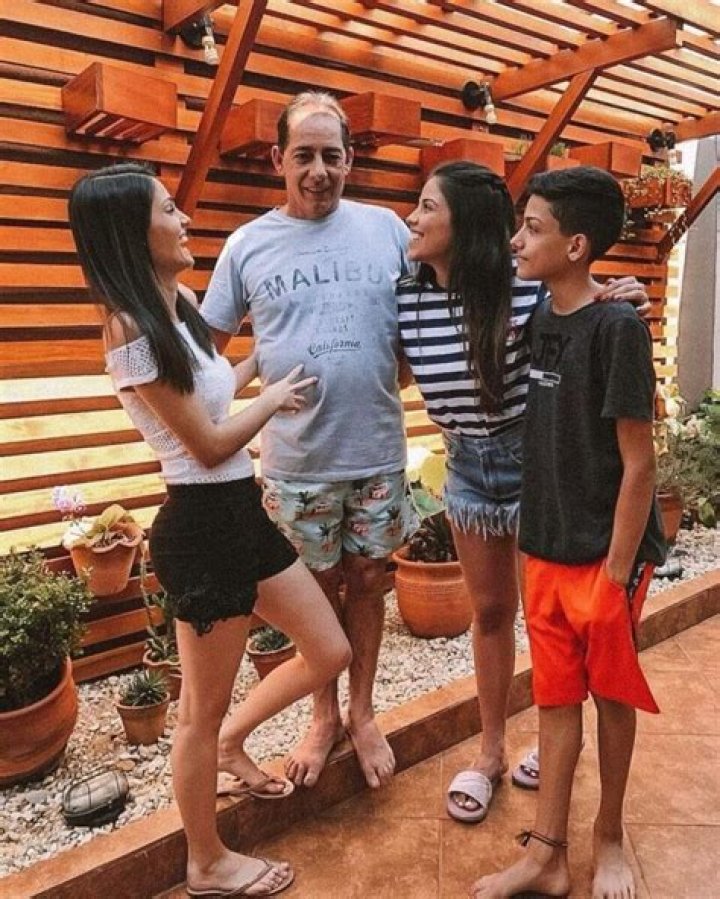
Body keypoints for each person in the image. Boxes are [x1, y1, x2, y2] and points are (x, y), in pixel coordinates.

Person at [69, 163, 351, 898]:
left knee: (329, 649)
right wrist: (275, 399)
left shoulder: (180, 306)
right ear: (133, 231)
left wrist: (274, 355)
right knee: (197, 710)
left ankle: (230, 744)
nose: (185, 219)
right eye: (170, 210)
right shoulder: (128, 328)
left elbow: (218, 391)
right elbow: (208, 442)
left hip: (239, 514)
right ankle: (206, 861)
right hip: (199, 528)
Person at [398, 161, 650, 824]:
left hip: (534, 460)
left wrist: (623, 293)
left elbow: (580, 303)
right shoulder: (407, 294)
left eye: (428, 207)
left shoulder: (523, 284)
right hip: (466, 466)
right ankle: (489, 752)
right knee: (489, 612)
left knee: (546, 621)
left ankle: (551, 738)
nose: (412, 219)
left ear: (464, 224)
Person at [201, 91, 418, 791]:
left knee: (369, 584)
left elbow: (434, 310)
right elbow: (205, 353)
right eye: (304, 155)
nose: (319, 170)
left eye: (332, 155)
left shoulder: (387, 229)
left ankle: (362, 712)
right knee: (317, 596)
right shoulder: (248, 245)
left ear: (349, 160)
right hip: (297, 463)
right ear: (278, 160)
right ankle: (322, 716)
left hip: (378, 451)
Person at [470, 166, 665, 899]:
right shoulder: (543, 319)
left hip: (603, 558)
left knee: (610, 697)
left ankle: (607, 835)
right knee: (554, 700)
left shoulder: (617, 328)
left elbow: (640, 464)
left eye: (534, 228)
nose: (518, 241)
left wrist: (615, 572)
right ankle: (546, 854)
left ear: (576, 245)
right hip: (544, 549)